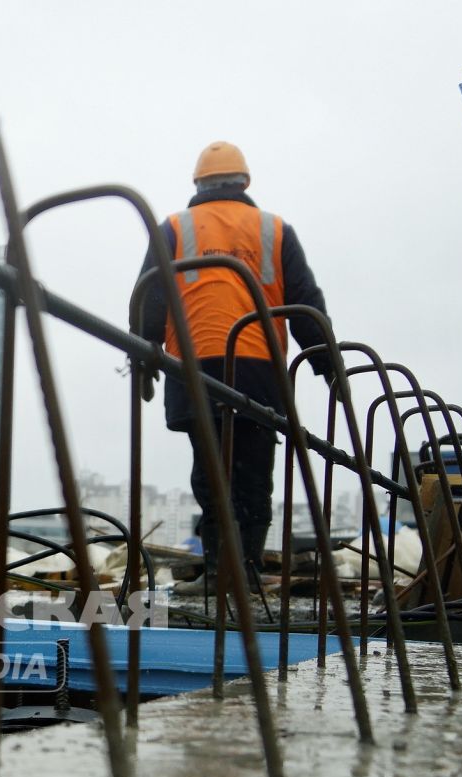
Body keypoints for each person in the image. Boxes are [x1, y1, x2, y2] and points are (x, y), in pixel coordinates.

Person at [136, 141, 332, 590]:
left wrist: (144, 357)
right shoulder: (274, 229)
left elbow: (151, 296)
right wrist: (327, 365)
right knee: (253, 473)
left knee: (210, 472)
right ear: (245, 183)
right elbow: (305, 302)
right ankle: (243, 572)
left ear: (198, 183)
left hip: (195, 365)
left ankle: (218, 572)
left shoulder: (175, 227)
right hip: (258, 367)